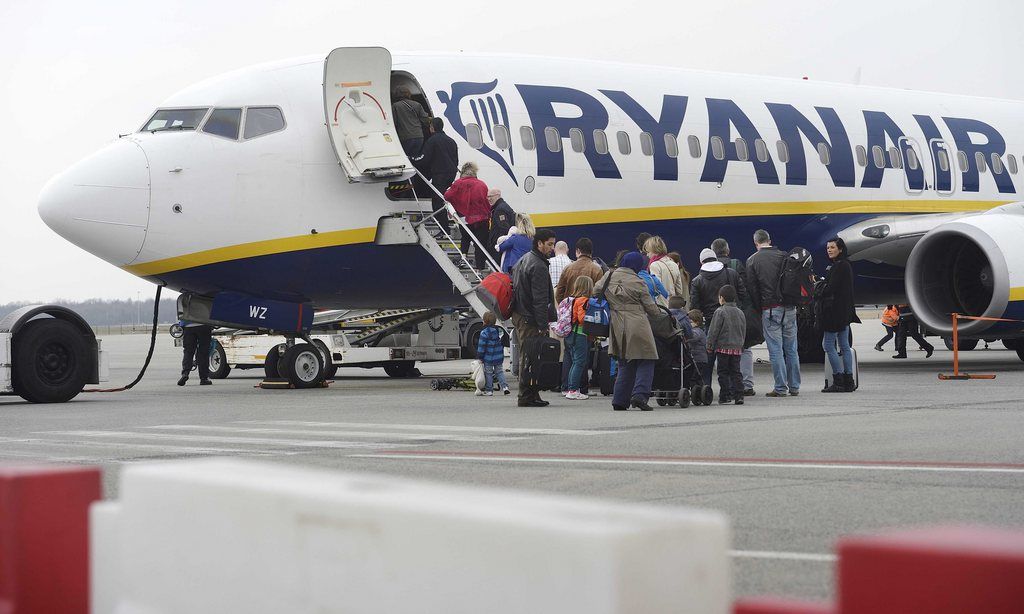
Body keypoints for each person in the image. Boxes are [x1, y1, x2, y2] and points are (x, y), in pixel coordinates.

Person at [596, 251, 661, 411]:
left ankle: (619, 400)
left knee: (625, 362)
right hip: (637, 323)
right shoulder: (638, 281)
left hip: (617, 324)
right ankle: (640, 395)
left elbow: (596, 291)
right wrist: (660, 312)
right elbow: (651, 309)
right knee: (647, 358)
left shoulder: (608, 276)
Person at [746, 229, 800, 397]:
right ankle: (795, 386)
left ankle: (780, 387)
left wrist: (758, 308)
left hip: (770, 309)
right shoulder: (784, 255)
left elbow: (753, 289)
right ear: (769, 240)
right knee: (791, 349)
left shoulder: (752, 260)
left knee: (775, 350)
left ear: (756, 243)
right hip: (789, 308)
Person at [511, 228, 558, 407]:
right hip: (530, 318)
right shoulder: (538, 265)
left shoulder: (524, 259)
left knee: (529, 355)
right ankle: (525, 395)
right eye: (549, 244)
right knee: (530, 357)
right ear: (539, 243)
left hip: (520, 315)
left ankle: (532, 394)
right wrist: (542, 324)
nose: (551, 248)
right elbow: (540, 299)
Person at [690, 247, 747, 383]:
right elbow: (743, 294)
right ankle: (733, 389)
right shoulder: (731, 274)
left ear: (701, 262)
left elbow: (694, 306)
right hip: (732, 320)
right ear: (715, 258)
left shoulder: (697, 280)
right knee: (732, 360)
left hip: (710, 321)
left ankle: (706, 387)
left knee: (708, 357)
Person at [712, 238, 755, 397]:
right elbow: (745, 291)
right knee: (744, 348)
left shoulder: (710, 270)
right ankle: (747, 384)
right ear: (727, 251)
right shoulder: (736, 265)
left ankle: (727, 387)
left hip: (719, 313)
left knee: (721, 351)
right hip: (738, 311)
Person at [819, 237, 861, 393]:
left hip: (834, 312)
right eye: (828, 247)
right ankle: (849, 380)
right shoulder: (846, 265)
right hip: (845, 312)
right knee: (844, 345)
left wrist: (819, 287)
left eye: (832, 247)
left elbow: (830, 289)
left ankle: (838, 379)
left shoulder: (838, 266)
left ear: (840, 249)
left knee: (828, 345)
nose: (829, 250)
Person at [444, 162, 492, 269]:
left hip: (464, 218)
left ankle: (464, 258)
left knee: (465, 238)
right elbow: (486, 201)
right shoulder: (482, 184)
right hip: (482, 219)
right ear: (474, 172)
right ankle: (480, 268)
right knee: (480, 244)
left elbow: (447, 196)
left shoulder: (458, 183)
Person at [416, 118, 458, 233]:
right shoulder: (451, 141)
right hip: (451, 174)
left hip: (440, 174)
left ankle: (444, 229)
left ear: (432, 128)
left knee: (437, 201)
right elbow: (456, 160)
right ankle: (446, 225)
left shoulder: (432, 140)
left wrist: (412, 159)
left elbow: (424, 158)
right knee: (443, 197)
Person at [706, 285, 745, 405]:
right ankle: (739, 395)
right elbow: (743, 329)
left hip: (723, 347)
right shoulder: (740, 312)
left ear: (721, 298)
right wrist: (741, 344)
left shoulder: (720, 311)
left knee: (723, 372)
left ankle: (725, 395)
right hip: (737, 347)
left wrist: (710, 344)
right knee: (736, 372)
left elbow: (714, 330)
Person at [563, 276, 595, 400]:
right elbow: (581, 318)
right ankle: (573, 390)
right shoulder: (583, 300)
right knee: (579, 362)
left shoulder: (571, 299)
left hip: (571, 334)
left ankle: (571, 388)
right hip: (580, 334)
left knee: (574, 362)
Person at [555, 238, 603, 303]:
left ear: (578, 251)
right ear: (591, 252)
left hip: (571, 309)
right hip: (589, 310)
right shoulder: (597, 270)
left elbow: (559, 293)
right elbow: (599, 293)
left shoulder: (568, 268)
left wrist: (566, 306)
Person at [475, 311, 509, 396]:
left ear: (485, 321)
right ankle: (505, 387)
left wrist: (480, 357)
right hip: (499, 356)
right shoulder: (500, 331)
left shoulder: (484, 333)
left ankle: (489, 390)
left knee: (488, 373)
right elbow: (504, 342)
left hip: (488, 357)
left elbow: (481, 346)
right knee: (499, 372)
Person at [391, 85, 430, 157]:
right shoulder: (417, 104)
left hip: (405, 137)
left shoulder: (395, 106)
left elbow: (394, 122)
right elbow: (425, 119)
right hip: (419, 136)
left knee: (407, 157)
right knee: (415, 157)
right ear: (408, 93)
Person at [645, 236, 683, 307]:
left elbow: (656, 287)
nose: (647, 255)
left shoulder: (654, 265)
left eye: (648, 252)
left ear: (655, 251)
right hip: (673, 305)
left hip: (661, 306)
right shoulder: (674, 264)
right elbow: (679, 290)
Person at [177, 321, 213, 386]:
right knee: (203, 352)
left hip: (188, 326)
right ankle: (203, 378)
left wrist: (182, 324)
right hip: (203, 324)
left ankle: (185, 373)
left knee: (188, 352)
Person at [486, 189, 515, 259]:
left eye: (491, 196)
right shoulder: (502, 206)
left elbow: (504, 228)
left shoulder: (499, 209)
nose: (489, 199)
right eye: (487, 197)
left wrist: (500, 243)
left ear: (498, 196)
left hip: (499, 244)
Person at [687, 309, 711, 386]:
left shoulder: (697, 331)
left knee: (696, 377)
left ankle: (697, 391)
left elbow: (693, 337)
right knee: (696, 377)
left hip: (699, 360)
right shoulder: (696, 330)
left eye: (690, 322)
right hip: (697, 359)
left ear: (696, 322)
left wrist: (686, 336)